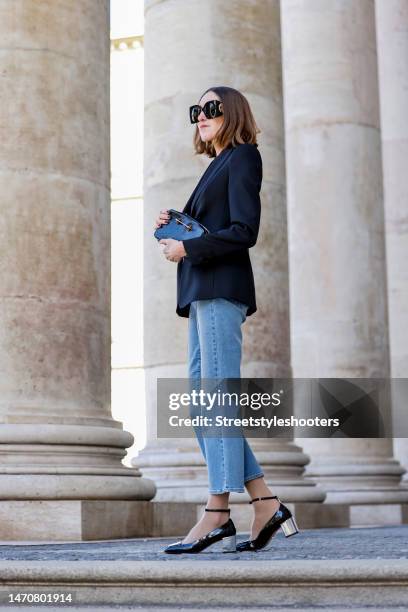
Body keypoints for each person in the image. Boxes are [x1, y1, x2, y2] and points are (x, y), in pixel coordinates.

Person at [155, 86, 298, 553]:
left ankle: (218, 512)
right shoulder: (215, 166)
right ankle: (266, 502)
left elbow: (244, 231)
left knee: (215, 399)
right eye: (197, 109)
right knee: (202, 404)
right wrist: (182, 224)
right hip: (202, 294)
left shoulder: (243, 157)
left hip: (220, 290)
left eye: (211, 108)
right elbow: (216, 226)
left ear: (232, 112)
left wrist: (188, 247)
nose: (202, 115)